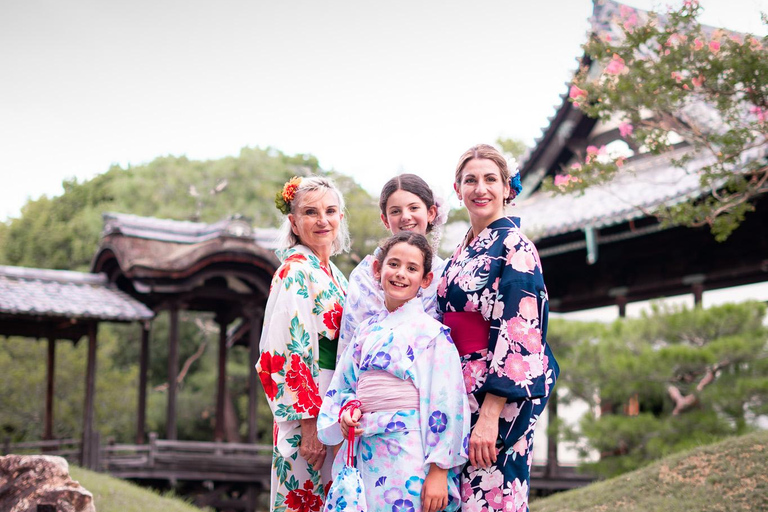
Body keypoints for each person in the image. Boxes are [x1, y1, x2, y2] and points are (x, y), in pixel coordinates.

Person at [436, 144, 559, 512]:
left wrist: (490, 415)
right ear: (457, 189)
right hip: (458, 392)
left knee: (491, 499)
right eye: (470, 180)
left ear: (507, 188)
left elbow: (520, 329)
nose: (480, 189)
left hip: (495, 399)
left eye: (491, 179)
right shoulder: (462, 250)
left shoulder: (515, 246)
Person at [318, 232, 470, 512]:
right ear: (378, 269)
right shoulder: (365, 331)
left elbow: (447, 403)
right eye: (394, 264)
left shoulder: (432, 334)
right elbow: (344, 387)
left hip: (410, 450)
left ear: (426, 279)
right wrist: (347, 412)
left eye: (412, 268)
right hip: (367, 448)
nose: (401, 274)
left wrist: (439, 470)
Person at [256, 175, 350, 512]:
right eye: (311, 212)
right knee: (305, 493)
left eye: (330, 211)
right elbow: (285, 349)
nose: (322, 220)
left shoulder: (335, 274)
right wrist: (308, 422)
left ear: (340, 217)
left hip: (335, 397)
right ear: (294, 223)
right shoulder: (295, 271)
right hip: (309, 404)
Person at [337, 173, 448, 360]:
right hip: (370, 369)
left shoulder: (444, 273)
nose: (405, 217)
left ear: (431, 213)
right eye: (395, 211)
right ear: (385, 219)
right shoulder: (364, 275)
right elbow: (350, 342)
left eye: (413, 208)